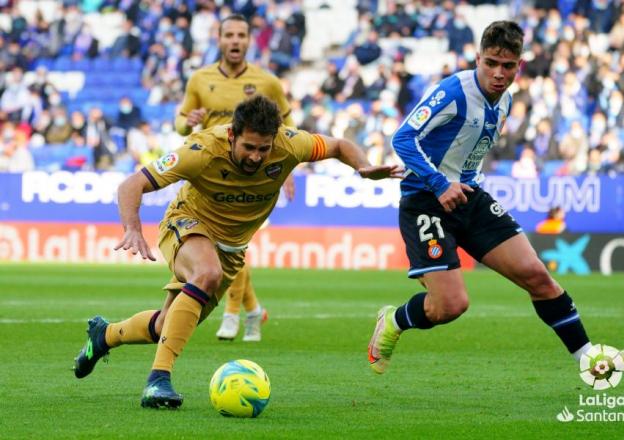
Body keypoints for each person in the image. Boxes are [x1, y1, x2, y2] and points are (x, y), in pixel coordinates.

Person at [73, 95, 402, 409]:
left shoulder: (291, 143)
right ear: (232, 135)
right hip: (186, 223)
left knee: (166, 326)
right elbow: (131, 184)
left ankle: (105, 335)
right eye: (248, 147)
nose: (257, 157)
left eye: (264, 148)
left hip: (231, 250)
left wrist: (363, 166)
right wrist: (132, 227)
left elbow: (339, 145)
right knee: (206, 273)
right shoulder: (200, 150)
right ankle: (158, 379)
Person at [367, 21, 624, 377]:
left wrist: (461, 183)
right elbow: (403, 138)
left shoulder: (505, 99)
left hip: (469, 197)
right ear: (478, 58)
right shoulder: (453, 91)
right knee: (450, 306)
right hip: (426, 200)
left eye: (507, 66)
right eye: (491, 63)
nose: (498, 73)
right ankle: (394, 319)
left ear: (519, 65)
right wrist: (438, 183)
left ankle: (588, 360)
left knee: (537, 276)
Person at [174, 13, 295, 343]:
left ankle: (232, 314)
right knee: (225, 250)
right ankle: (252, 310)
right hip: (210, 178)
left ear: (249, 40)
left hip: (252, 179)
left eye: (242, 35)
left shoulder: (267, 82)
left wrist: (286, 170)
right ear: (220, 38)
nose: (235, 41)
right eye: (229, 35)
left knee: (231, 246)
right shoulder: (200, 79)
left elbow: (286, 126)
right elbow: (180, 121)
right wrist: (189, 121)